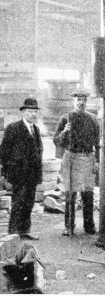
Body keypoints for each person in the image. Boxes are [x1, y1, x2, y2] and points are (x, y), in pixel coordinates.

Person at [53, 90, 100, 236]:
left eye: (83, 100)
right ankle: (69, 226)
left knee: (88, 194)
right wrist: (64, 132)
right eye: (78, 100)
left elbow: (97, 143)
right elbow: (56, 141)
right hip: (71, 158)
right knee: (70, 194)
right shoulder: (65, 118)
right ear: (73, 101)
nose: (81, 102)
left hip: (87, 158)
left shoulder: (92, 119)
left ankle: (89, 226)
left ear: (86, 102)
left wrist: (97, 160)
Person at [0, 98, 43, 240]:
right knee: (18, 203)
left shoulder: (35, 129)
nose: (33, 114)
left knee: (28, 203)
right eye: (30, 111)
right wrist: (8, 173)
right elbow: (4, 152)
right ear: (23, 113)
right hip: (18, 174)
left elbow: (38, 151)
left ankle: (24, 231)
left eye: (35, 112)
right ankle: (13, 233)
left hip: (32, 174)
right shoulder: (13, 128)